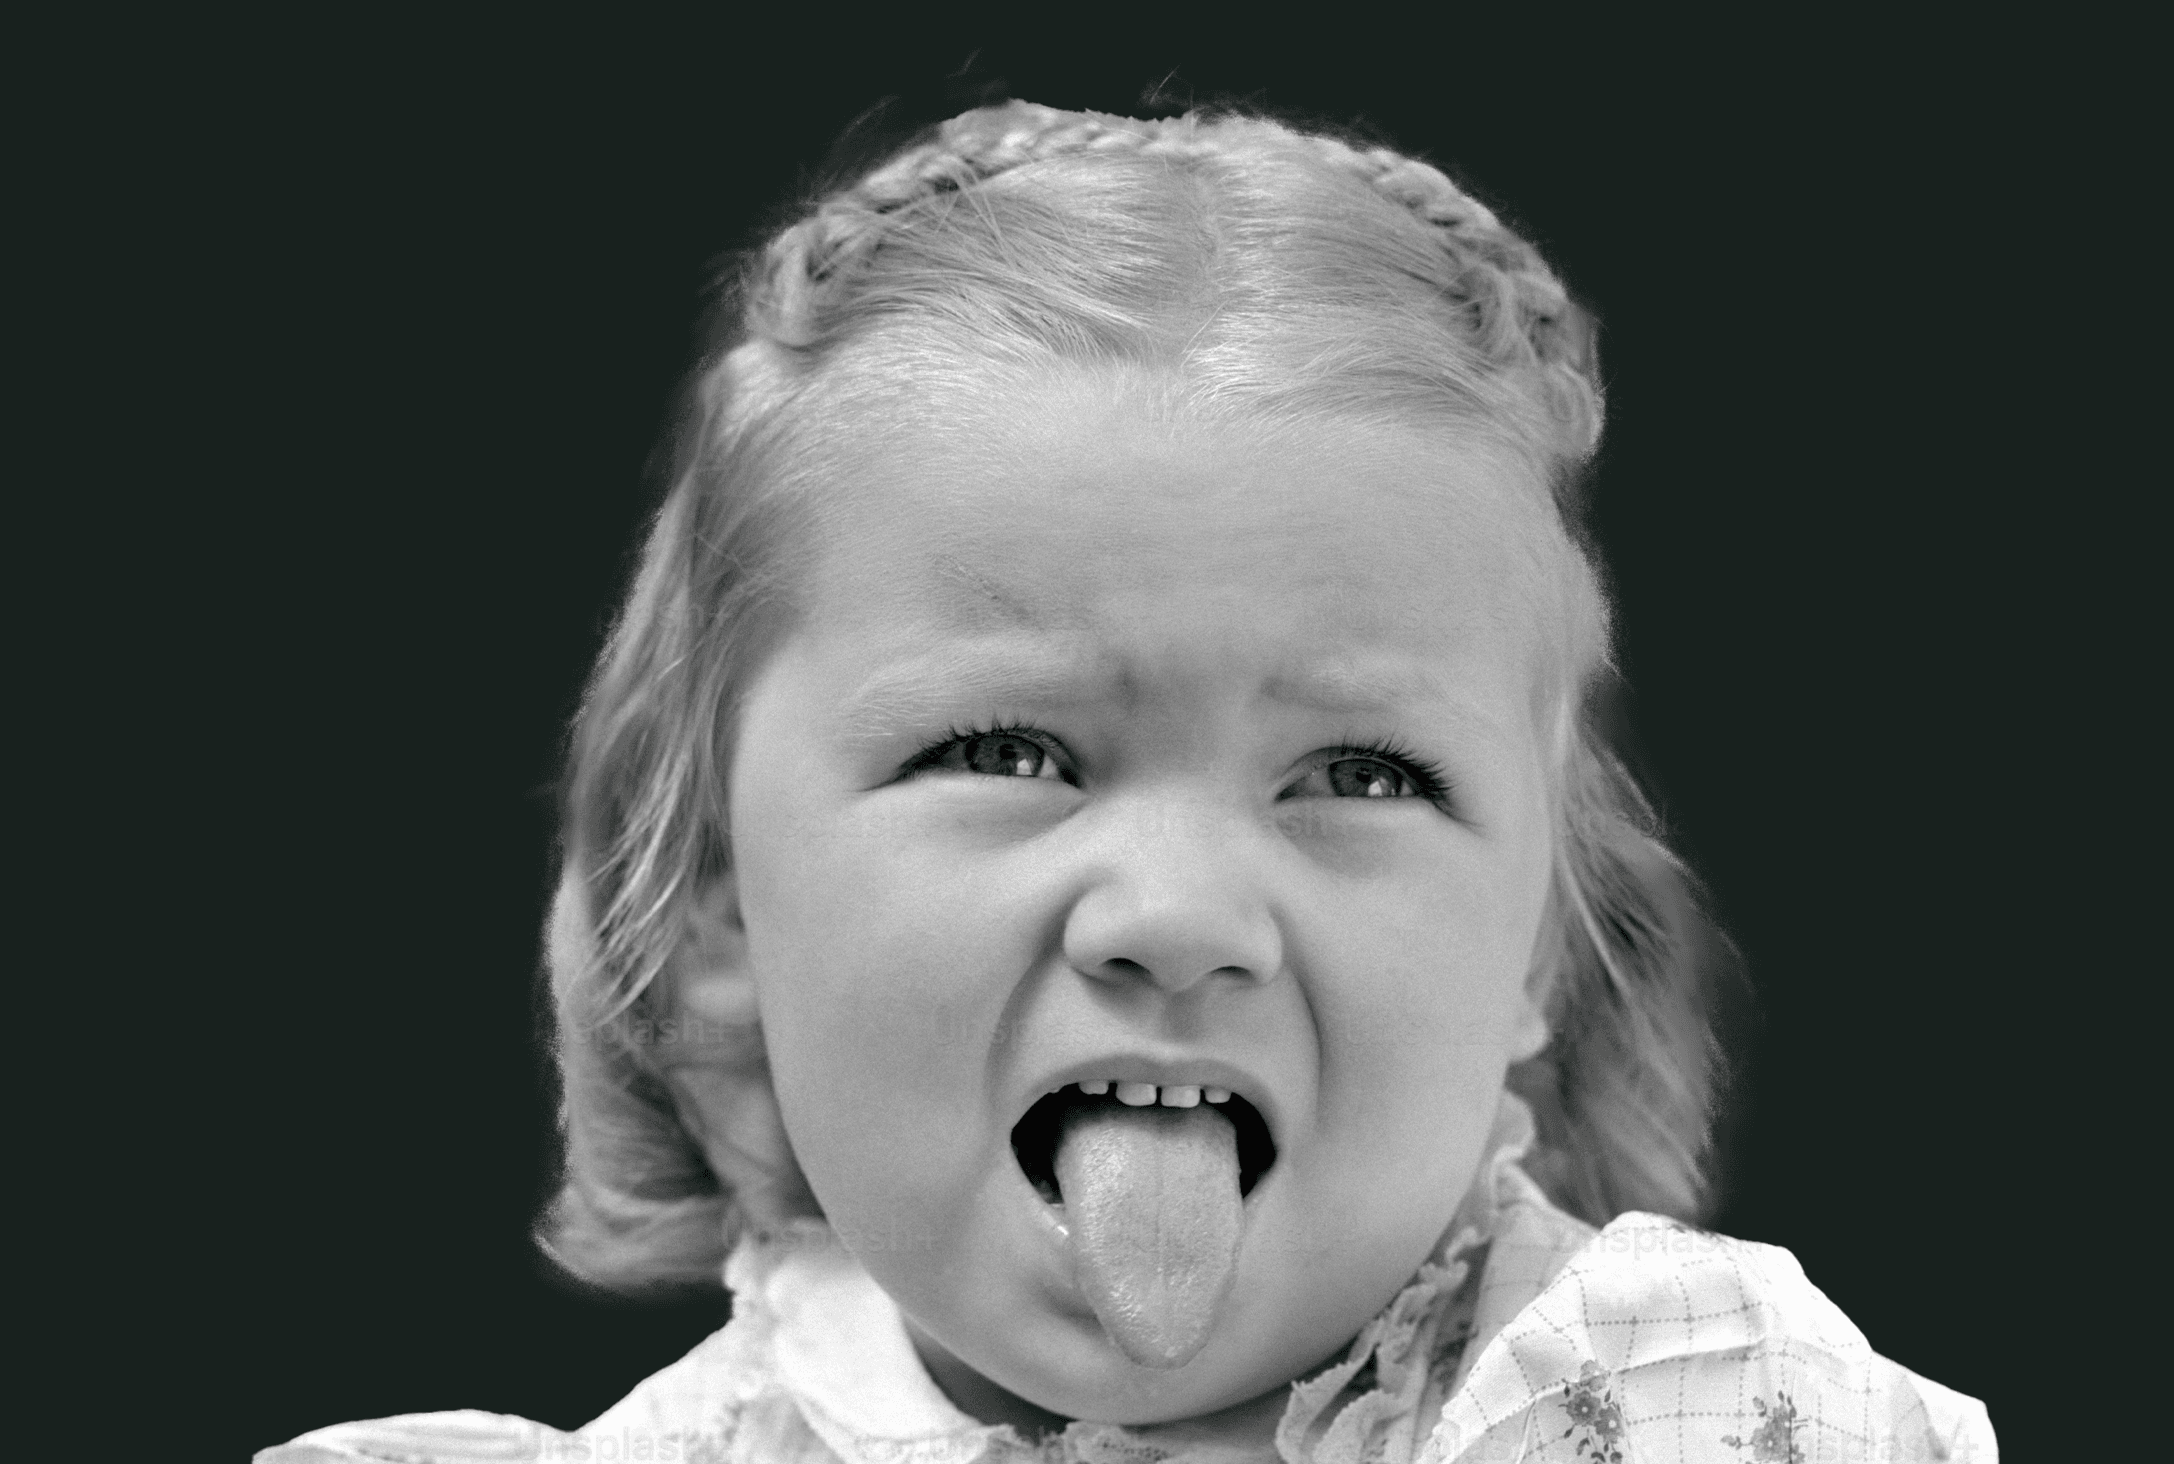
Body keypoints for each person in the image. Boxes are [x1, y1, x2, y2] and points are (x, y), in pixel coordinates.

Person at [261, 100, 1995, 1463]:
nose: (1175, 918)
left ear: (1538, 948)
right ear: (714, 892)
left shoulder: (1692, 1416)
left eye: (1359, 772)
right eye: (1006, 752)